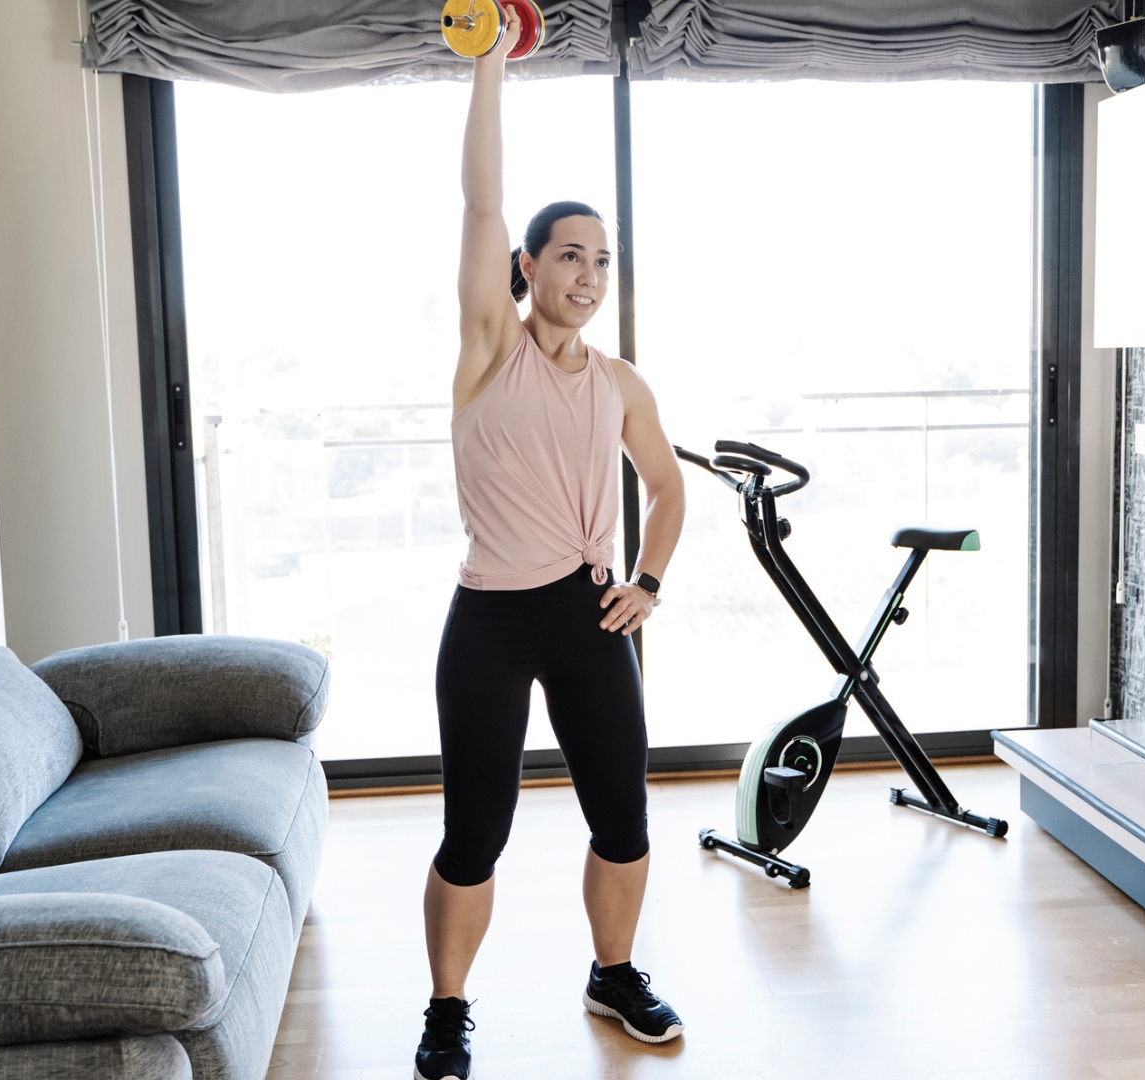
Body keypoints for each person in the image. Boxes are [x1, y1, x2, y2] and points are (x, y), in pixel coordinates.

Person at [412, 7, 688, 1080]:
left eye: (602, 260)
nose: (587, 273)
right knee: (474, 831)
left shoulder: (622, 382)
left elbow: (664, 490)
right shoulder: (489, 351)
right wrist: (490, 72)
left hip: (587, 616)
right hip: (489, 619)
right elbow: (480, 198)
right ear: (525, 268)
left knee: (622, 815)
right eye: (568, 255)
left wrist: (650, 581)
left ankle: (612, 975)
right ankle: (447, 1009)